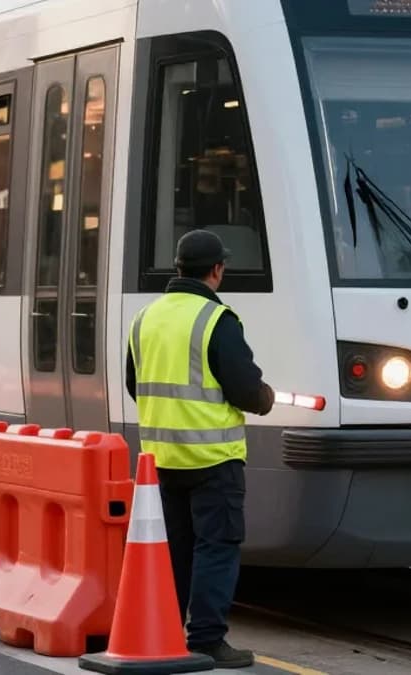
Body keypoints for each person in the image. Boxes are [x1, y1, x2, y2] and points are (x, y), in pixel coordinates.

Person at [124, 229, 274, 669]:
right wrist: (266, 397)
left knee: (176, 549)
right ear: (217, 270)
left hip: (162, 459)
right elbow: (247, 391)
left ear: (177, 268)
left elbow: (136, 385)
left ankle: (168, 630)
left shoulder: (146, 318)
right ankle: (207, 639)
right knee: (217, 546)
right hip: (213, 458)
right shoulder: (216, 320)